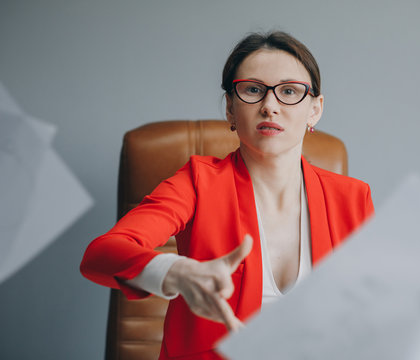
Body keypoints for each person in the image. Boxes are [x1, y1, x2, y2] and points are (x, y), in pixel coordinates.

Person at [80, 31, 374, 360]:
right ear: (230, 109)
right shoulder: (198, 181)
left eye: (289, 91)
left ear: (315, 110)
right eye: (253, 90)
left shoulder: (353, 199)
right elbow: (101, 255)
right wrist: (176, 271)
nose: (270, 106)